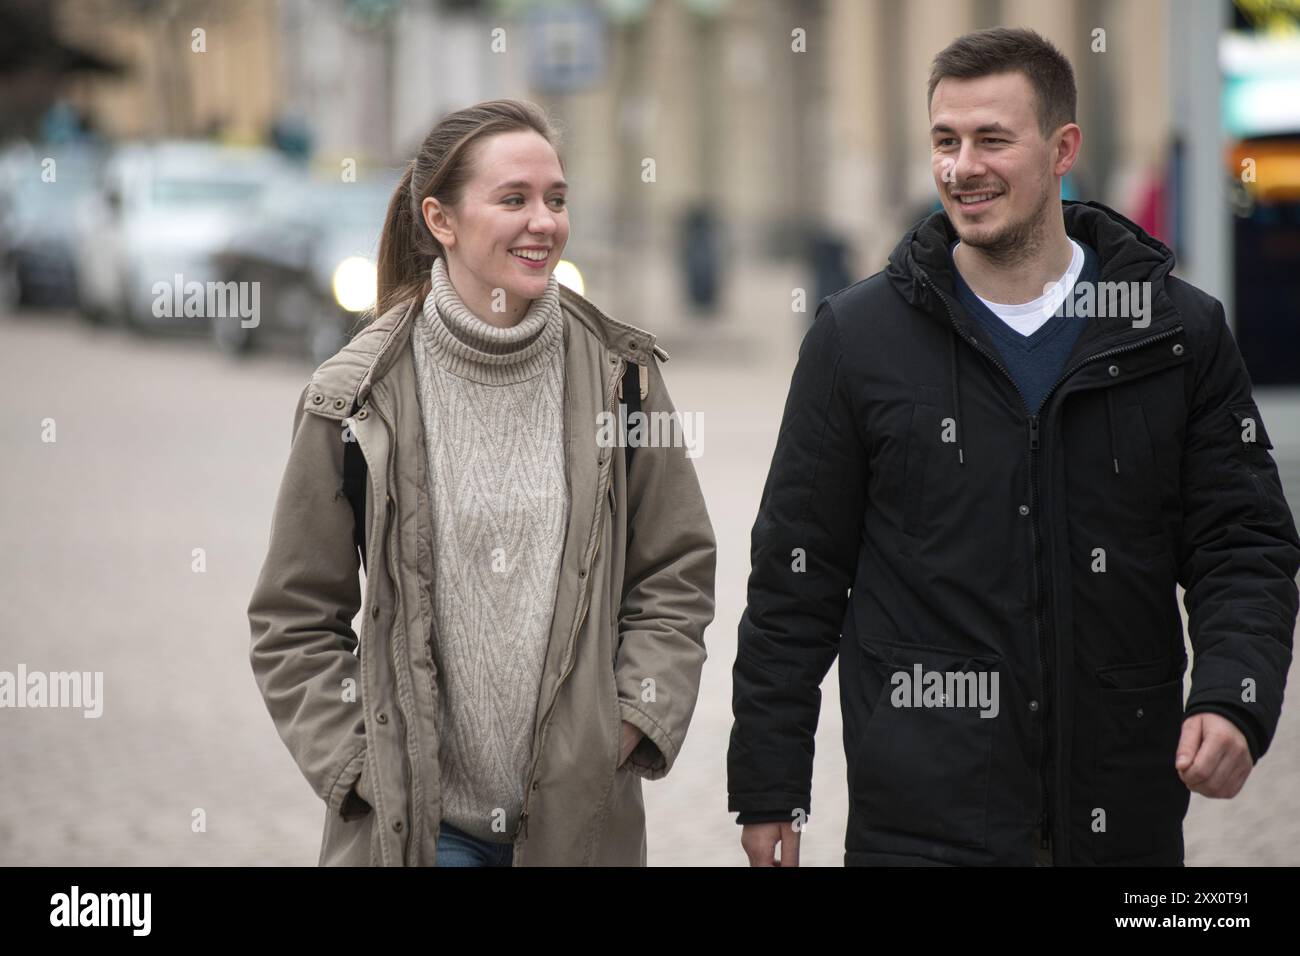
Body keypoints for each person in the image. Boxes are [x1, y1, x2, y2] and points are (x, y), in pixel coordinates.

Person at [727, 27, 1299, 866]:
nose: (962, 167)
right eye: (945, 141)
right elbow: (795, 578)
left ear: (1063, 148)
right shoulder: (857, 338)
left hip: (1120, 820)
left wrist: (1233, 695)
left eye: (992, 139)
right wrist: (770, 783)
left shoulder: (1174, 331)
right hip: (920, 827)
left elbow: (1243, 543)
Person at [248, 99, 716, 866]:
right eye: (514, 199)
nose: (544, 221)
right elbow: (293, 619)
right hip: (425, 836)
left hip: (578, 824)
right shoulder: (351, 397)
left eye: (556, 199)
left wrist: (629, 719)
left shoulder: (621, 379)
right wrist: (364, 769)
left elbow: (675, 571)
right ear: (441, 219)